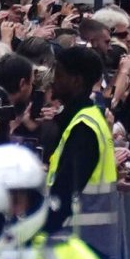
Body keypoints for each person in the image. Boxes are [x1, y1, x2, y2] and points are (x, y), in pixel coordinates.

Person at [41, 43, 115, 240]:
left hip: (77, 239)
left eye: (59, 76)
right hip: (89, 237)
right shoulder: (86, 118)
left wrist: (41, 229)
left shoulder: (84, 126)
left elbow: (67, 188)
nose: (53, 83)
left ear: (76, 81)